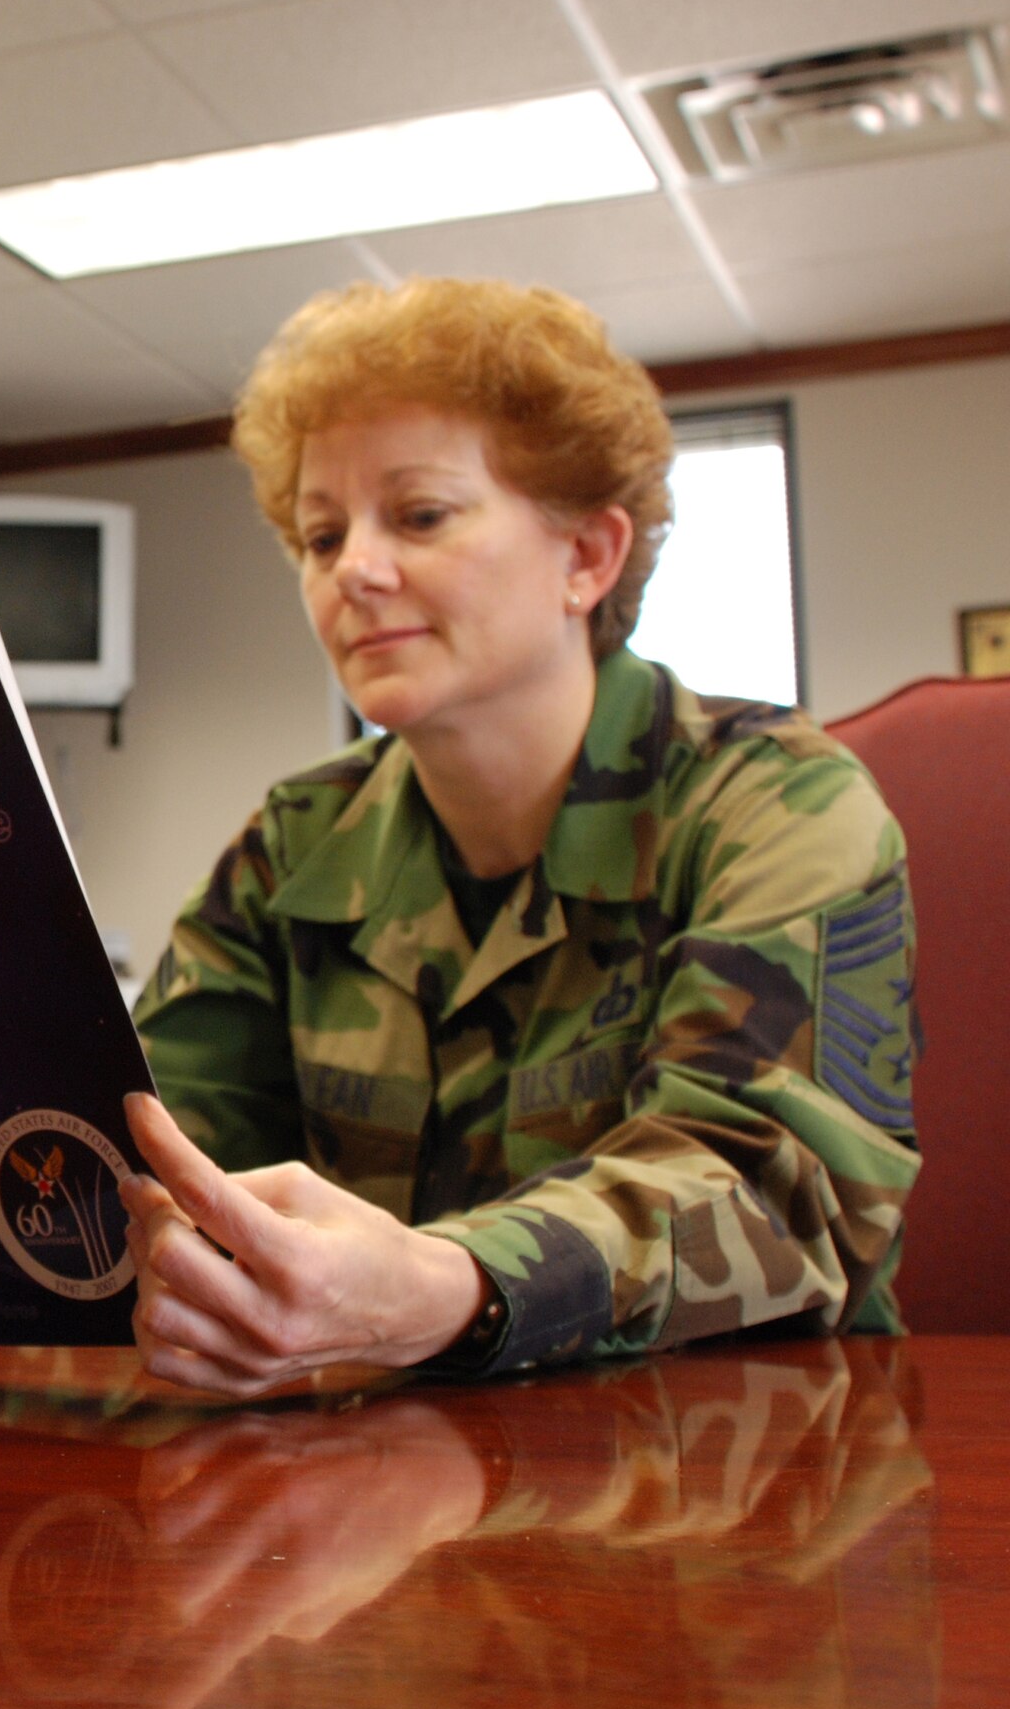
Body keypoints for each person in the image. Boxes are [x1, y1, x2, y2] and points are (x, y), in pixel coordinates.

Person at [122, 276, 920, 1396]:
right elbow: (158, 1152)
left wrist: (447, 1286)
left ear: (586, 558)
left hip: (743, 1476)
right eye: (318, 533)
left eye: (419, 514)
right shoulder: (298, 838)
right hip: (376, 1490)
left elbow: (772, 1190)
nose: (351, 567)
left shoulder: (773, 805)